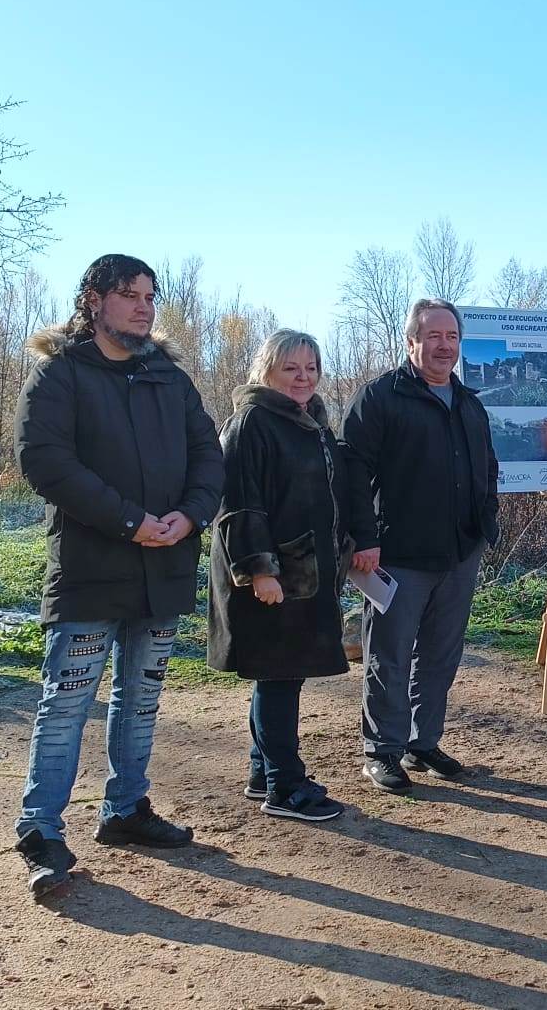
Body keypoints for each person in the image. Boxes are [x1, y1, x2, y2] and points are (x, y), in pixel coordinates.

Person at [11, 254, 224, 899]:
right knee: (68, 702)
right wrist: (128, 520)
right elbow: (44, 460)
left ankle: (126, 809)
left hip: (162, 569)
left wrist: (190, 516)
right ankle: (40, 829)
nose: (143, 306)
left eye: (150, 296)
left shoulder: (169, 377)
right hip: (91, 570)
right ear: (95, 301)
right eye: (129, 295)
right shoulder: (60, 374)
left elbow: (207, 454)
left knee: (143, 697)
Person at [209, 330, 375, 823]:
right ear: (267, 370)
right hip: (272, 576)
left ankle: (265, 772)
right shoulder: (253, 422)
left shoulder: (312, 424)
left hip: (305, 571)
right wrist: (259, 570)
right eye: (291, 368)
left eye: (311, 368)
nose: (303, 377)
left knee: (279, 676)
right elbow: (239, 501)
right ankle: (286, 786)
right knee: (278, 677)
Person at [341, 299, 499, 792]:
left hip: (458, 553)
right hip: (397, 556)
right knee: (388, 654)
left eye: (451, 337)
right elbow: (350, 474)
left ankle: (421, 741)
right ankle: (382, 750)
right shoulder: (380, 398)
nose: (444, 346)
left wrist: (484, 525)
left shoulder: (470, 404)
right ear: (411, 342)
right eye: (433, 336)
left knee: (439, 655)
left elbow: (487, 470)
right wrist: (362, 540)